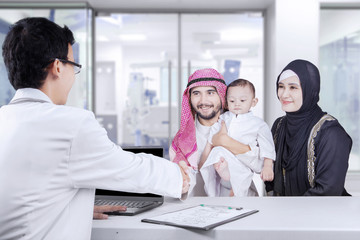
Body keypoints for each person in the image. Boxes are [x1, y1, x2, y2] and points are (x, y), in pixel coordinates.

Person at [0, 17, 189, 240]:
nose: (73, 75)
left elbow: (22, 196)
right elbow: (129, 170)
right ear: (58, 67)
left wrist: (64, 206)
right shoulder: (71, 124)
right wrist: (179, 176)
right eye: (73, 65)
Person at [265, 59, 352, 196]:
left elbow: (328, 190)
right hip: (283, 213)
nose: (284, 94)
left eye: (293, 87)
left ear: (310, 90)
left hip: (324, 214)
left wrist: (290, 213)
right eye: (281, 86)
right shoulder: (279, 126)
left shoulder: (330, 133)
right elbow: (269, 174)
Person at [170, 68, 255, 198]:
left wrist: (226, 141)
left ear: (222, 96)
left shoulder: (244, 127)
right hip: (198, 210)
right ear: (190, 98)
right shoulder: (181, 141)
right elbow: (181, 185)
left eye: (210, 93)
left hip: (242, 205)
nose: (203, 101)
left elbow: (260, 164)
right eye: (197, 93)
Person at [199, 79, 275, 197]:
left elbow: (267, 145)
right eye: (232, 101)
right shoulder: (223, 118)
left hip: (244, 161)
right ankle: (224, 178)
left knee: (242, 178)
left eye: (242, 100)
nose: (237, 104)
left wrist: (268, 166)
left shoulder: (258, 124)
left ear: (253, 102)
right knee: (217, 152)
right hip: (225, 157)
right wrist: (204, 161)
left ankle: (234, 189)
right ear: (227, 103)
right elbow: (212, 139)